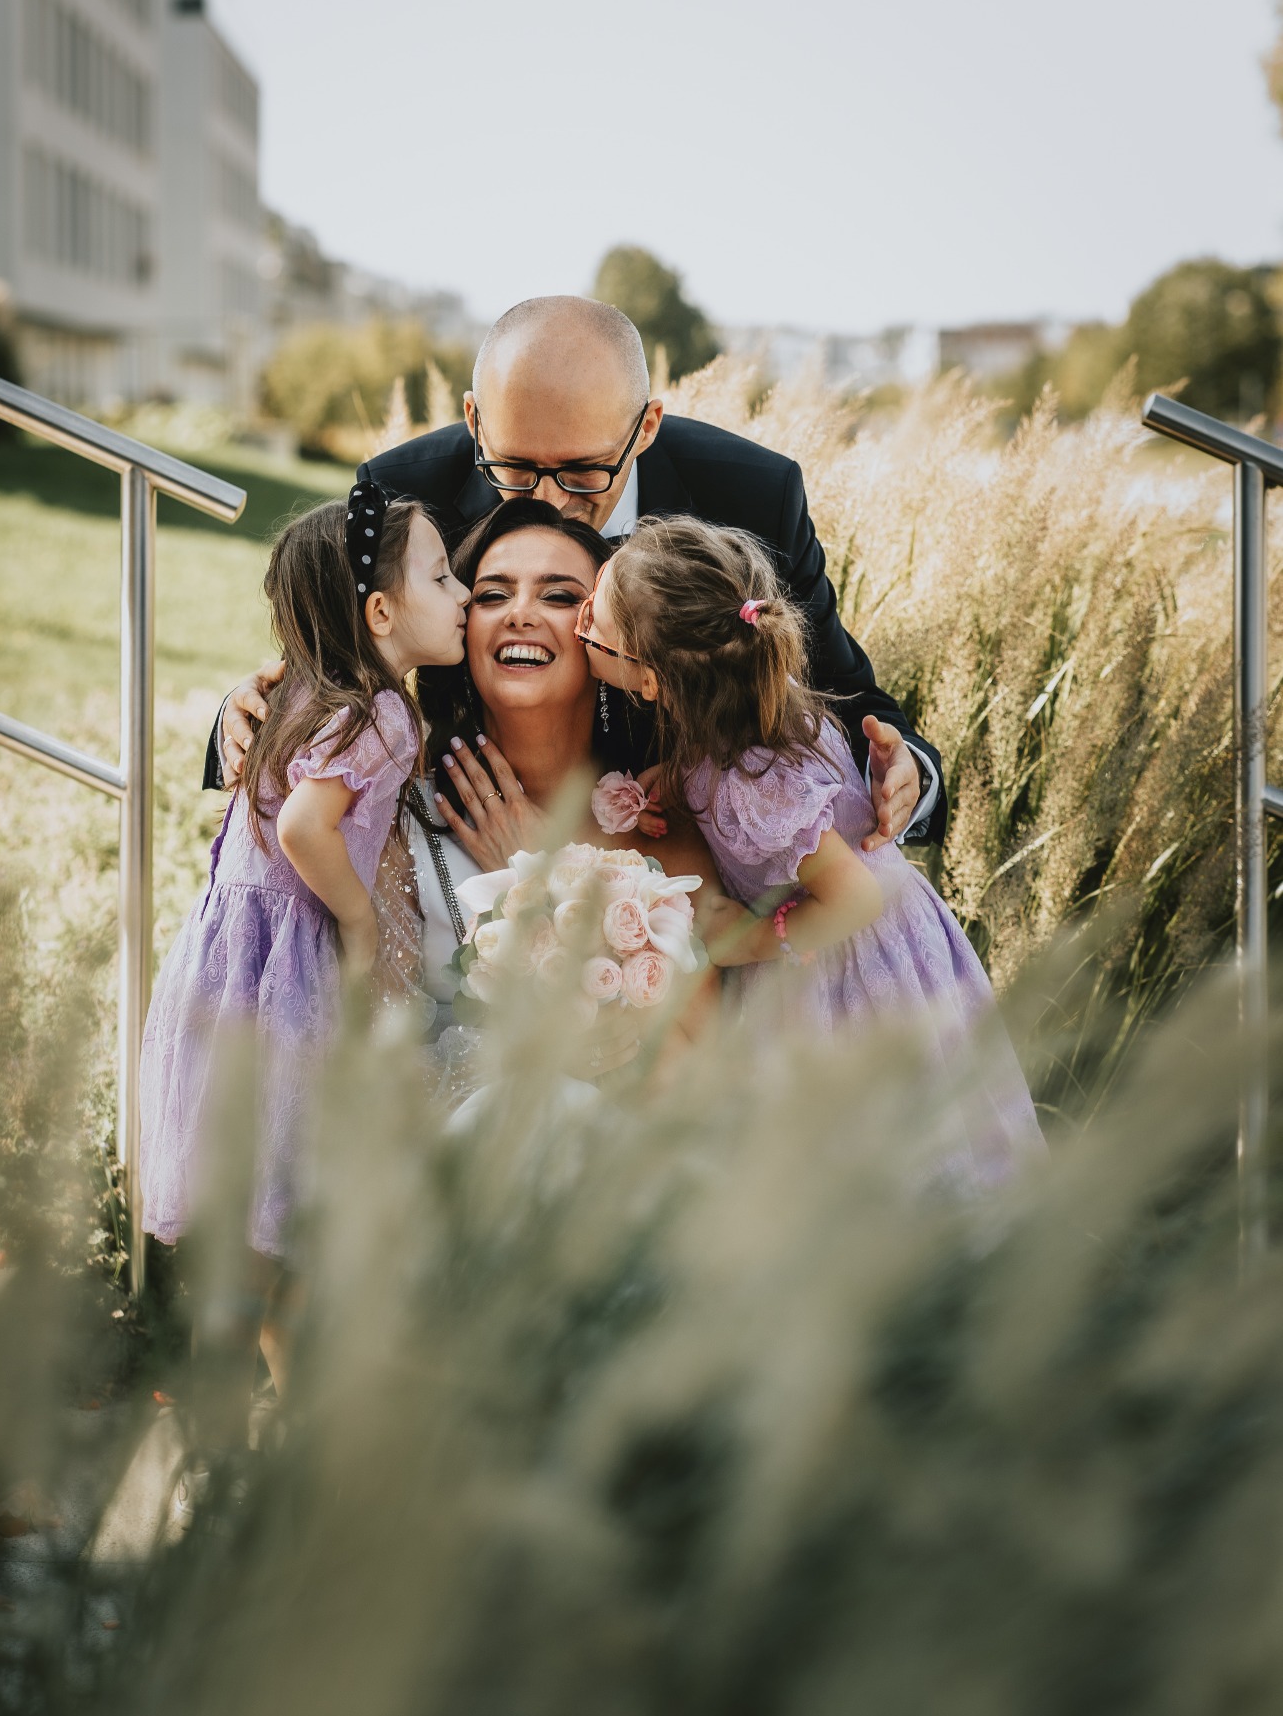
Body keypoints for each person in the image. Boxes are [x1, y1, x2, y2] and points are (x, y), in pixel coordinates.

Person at [207, 295, 945, 853]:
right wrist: (243, 722)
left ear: (646, 427)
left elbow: (841, 694)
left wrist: (901, 775)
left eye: (586, 472)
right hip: (461, 842)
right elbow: (336, 667)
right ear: (473, 421)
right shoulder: (405, 496)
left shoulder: (749, 496)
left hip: (692, 870)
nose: (552, 504)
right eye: (517, 469)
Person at [579, 515, 1045, 1190]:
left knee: (883, 1160)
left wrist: (746, 939)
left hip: (850, 971)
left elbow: (853, 896)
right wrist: (675, 784)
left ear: (648, 680)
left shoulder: (746, 783)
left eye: (594, 616)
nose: (580, 617)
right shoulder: (769, 715)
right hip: (901, 946)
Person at [139, 483, 470, 1391]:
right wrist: (360, 916)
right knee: (287, 1214)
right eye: (443, 578)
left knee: (253, 1218)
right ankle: (282, 1413)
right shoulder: (385, 715)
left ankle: (231, 1405)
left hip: (228, 963)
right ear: (379, 611)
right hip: (288, 974)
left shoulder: (300, 694)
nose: (466, 596)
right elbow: (305, 830)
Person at [398, 498, 727, 1061]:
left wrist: (539, 875)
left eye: (559, 597)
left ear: (614, 639)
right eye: (492, 595)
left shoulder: (662, 824)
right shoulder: (397, 811)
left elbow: (700, 1067)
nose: (519, 614)